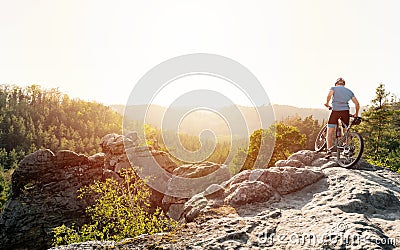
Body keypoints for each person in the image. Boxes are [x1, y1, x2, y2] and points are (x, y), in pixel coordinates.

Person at [324, 77, 360, 157]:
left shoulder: (334, 88)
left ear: (336, 84)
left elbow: (329, 95)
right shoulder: (349, 91)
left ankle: (329, 151)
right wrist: (356, 114)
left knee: (330, 132)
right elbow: (357, 104)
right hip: (345, 112)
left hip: (335, 111)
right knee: (345, 130)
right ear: (344, 84)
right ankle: (346, 148)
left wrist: (327, 103)